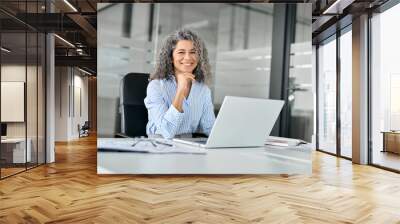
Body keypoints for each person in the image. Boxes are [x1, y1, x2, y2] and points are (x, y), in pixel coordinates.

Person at [144, 29, 216, 139]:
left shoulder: (203, 90)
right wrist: (180, 90)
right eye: (181, 52)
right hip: (159, 145)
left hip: (189, 145)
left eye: (193, 52)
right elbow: (166, 131)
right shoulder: (156, 86)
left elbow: (209, 127)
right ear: (171, 58)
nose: (188, 57)